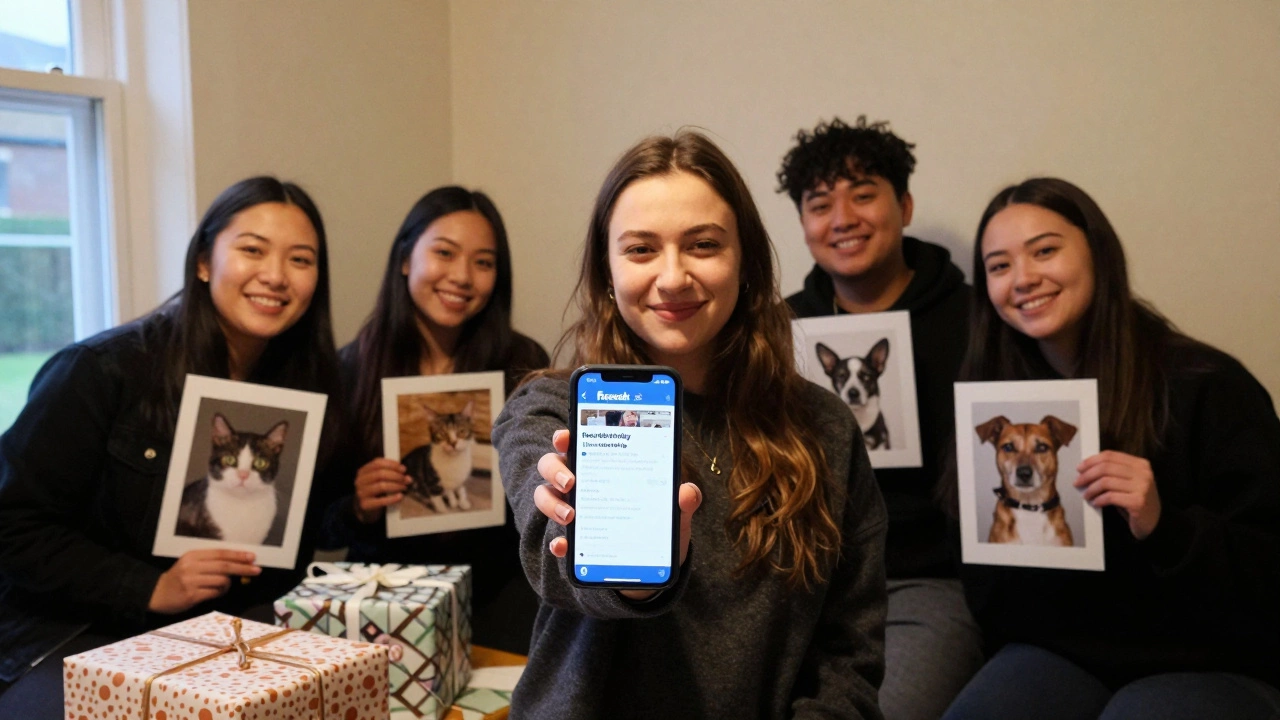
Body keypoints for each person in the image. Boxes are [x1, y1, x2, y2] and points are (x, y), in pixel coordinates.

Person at [491, 131, 888, 719]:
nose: (673, 278)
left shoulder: (824, 428)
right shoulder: (550, 411)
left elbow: (849, 653)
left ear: (745, 260)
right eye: (641, 250)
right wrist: (631, 575)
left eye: (702, 245)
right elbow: (554, 560)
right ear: (606, 268)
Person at [0, 177, 343, 718]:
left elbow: (306, 536)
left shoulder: (307, 387)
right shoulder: (101, 371)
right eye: (252, 249)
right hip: (73, 633)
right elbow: (12, 524)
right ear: (204, 261)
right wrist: (149, 586)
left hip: (226, 633)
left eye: (300, 259)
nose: (275, 276)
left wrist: (359, 506)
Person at [941, 178, 1280, 719]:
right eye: (999, 266)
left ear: (1098, 253)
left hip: (1214, 658)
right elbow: (986, 591)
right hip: (1060, 653)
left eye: (1045, 251)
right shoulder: (994, 404)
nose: (1023, 278)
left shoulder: (1208, 384)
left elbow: (1271, 571)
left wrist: (1164, 525)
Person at [778, 116, 981, 719]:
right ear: (804, 225)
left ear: (906, 205)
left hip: (926, 584)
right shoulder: (781, 331)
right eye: (820, 204)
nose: (843, 218)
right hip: (807, 582)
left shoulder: (978, 322)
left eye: (864, 195)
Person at [323, 186, 549, 653]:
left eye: (484, 262)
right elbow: (319, 519)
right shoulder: (350, 368)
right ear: (405, 259)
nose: (463, 277)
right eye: (444, 253)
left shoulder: (522, 361)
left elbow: (539, 499)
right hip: (384, 602)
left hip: (497, 595)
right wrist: (358, 506)